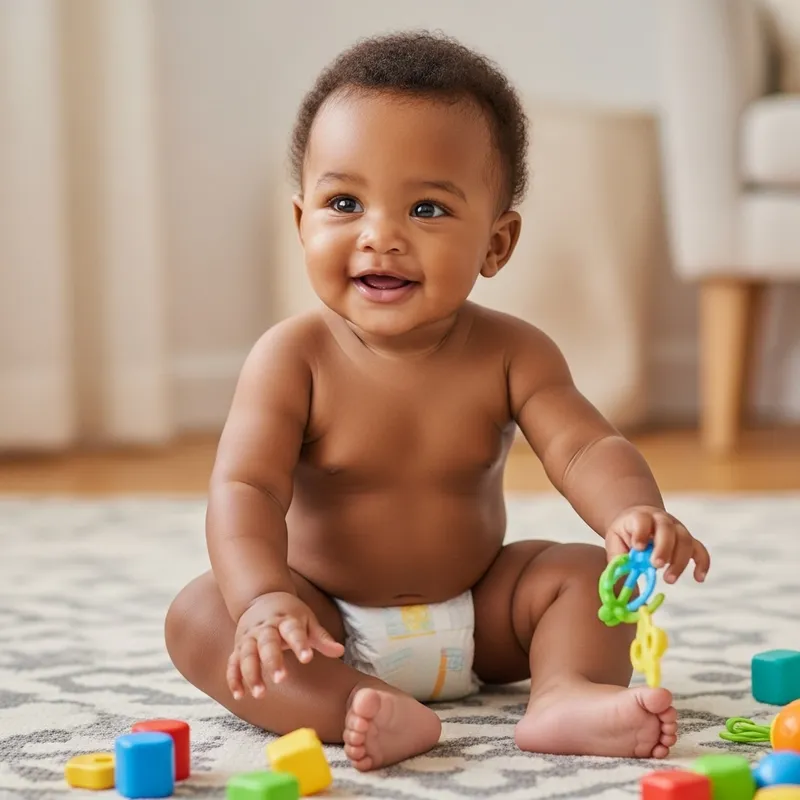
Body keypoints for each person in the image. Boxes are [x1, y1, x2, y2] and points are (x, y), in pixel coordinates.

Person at [165, 30, 710, 772]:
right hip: (324, 622)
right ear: (302, 223)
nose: (381, 236)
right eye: (345, 202)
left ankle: (564, 693)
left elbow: (584, 446)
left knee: (584, 576)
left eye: (426, 209)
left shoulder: (513, 352)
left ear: (496, 244)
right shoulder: (292, 359)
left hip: (482, 616)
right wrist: (263, 597)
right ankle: (356, 704)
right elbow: (246, 487)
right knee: (201, 616)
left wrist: (631, 513)